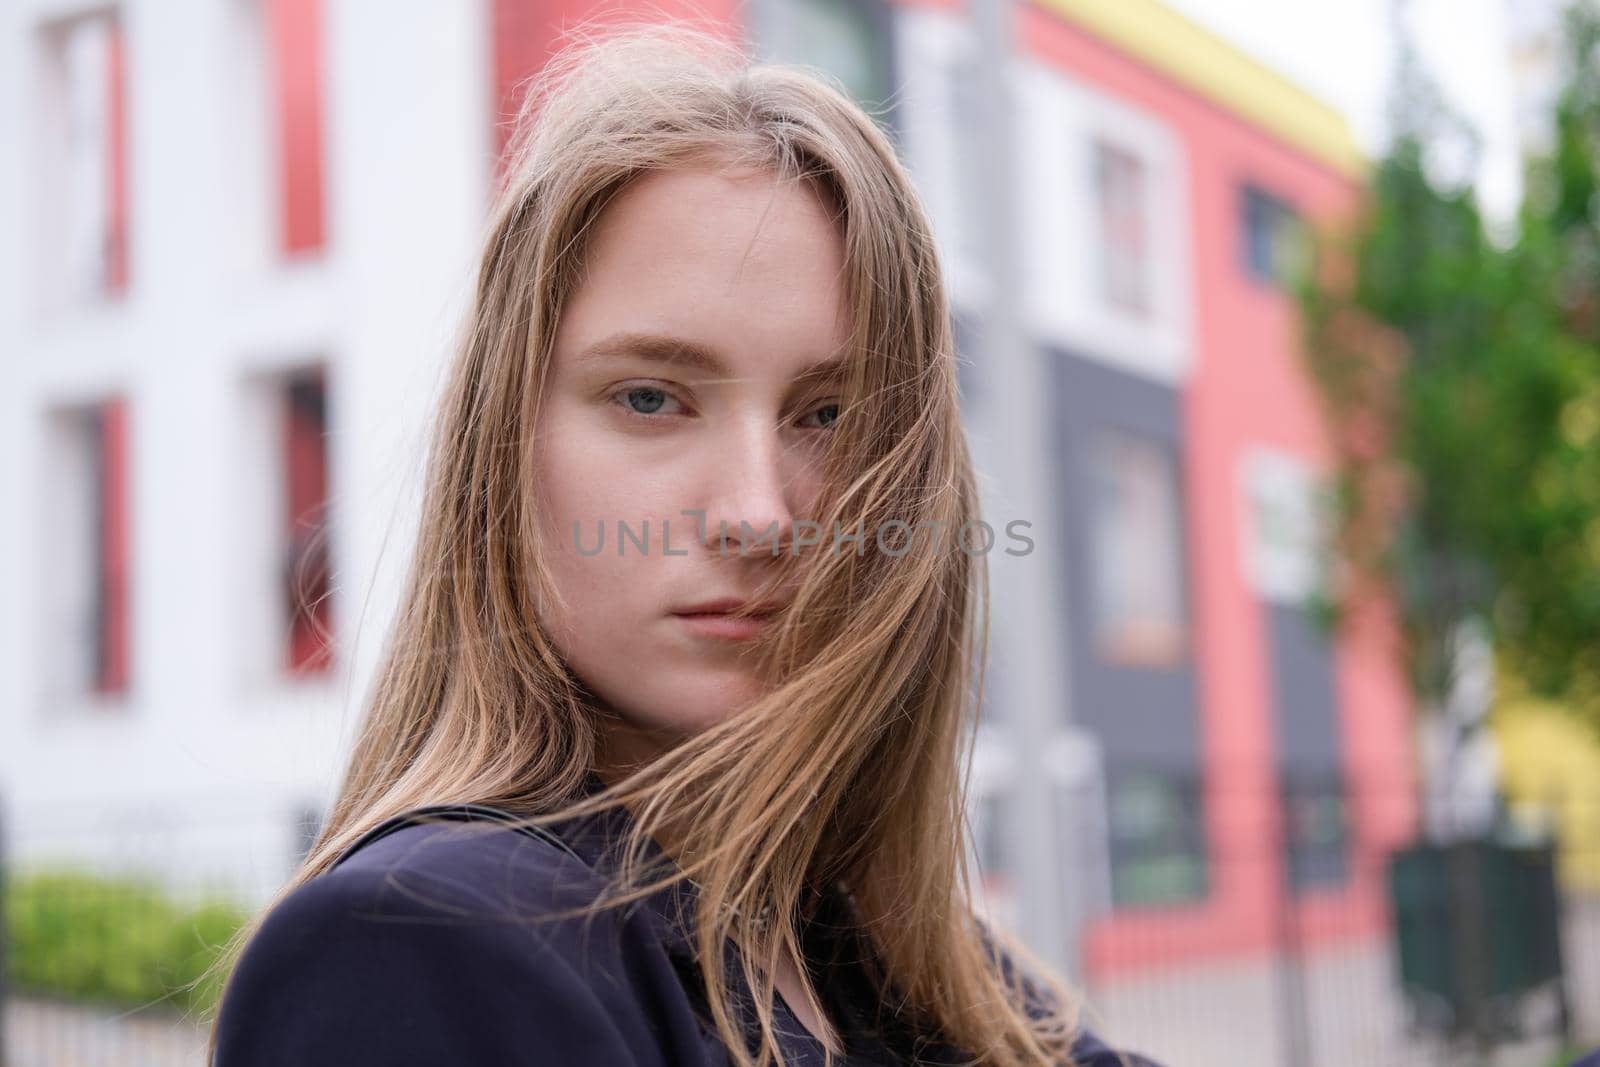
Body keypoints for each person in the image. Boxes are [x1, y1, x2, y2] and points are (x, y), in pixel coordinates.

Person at [205, 20, 1165, 1067]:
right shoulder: (420, 946)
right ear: (504, 449)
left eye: (828, 415)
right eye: (652, 397)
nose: (758, 513)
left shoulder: (909, 963)